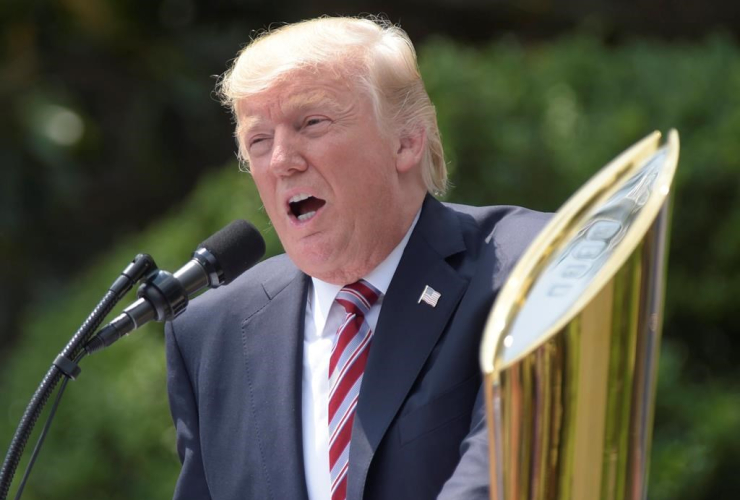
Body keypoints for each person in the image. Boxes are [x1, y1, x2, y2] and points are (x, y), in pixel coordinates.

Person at [165, 16, 549, 500]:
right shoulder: (212, 333)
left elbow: (506, 477)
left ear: (407, 140)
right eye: (258, 141)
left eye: (312, 123)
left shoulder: (528, 262)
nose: (282, 160)